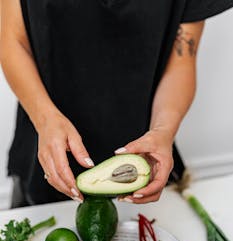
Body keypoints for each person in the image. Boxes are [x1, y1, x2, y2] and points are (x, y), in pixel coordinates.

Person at [1, 1, 233, 207]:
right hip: (44, 147)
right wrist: (45, 119)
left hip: (143, 156)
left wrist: (163, 130)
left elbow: (182, 61)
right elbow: (10, 40)